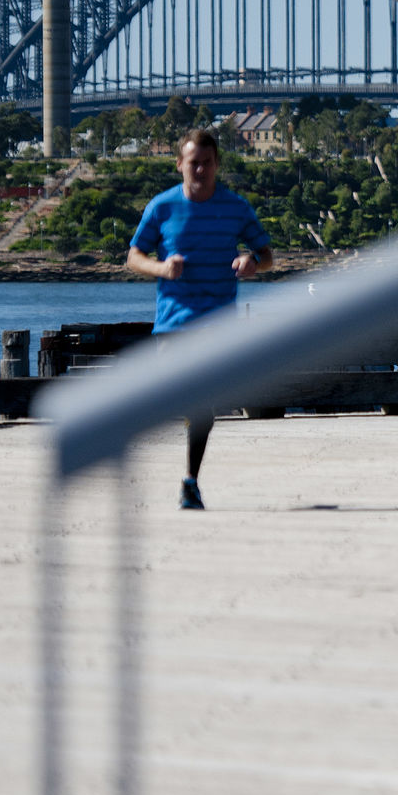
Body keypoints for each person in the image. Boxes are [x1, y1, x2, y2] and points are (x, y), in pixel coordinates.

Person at [126, 128, 273, 510]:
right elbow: (134, 257)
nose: (201, 171)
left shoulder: (236, 207)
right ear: (180, 164)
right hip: (173, 323)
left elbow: (267, 255)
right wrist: (162, 268)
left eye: (208, 163)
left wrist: (251, 262)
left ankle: (190, 481)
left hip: (217, 323)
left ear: (217, 164)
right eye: (194, 163)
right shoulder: (162, 207)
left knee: (202, 402)